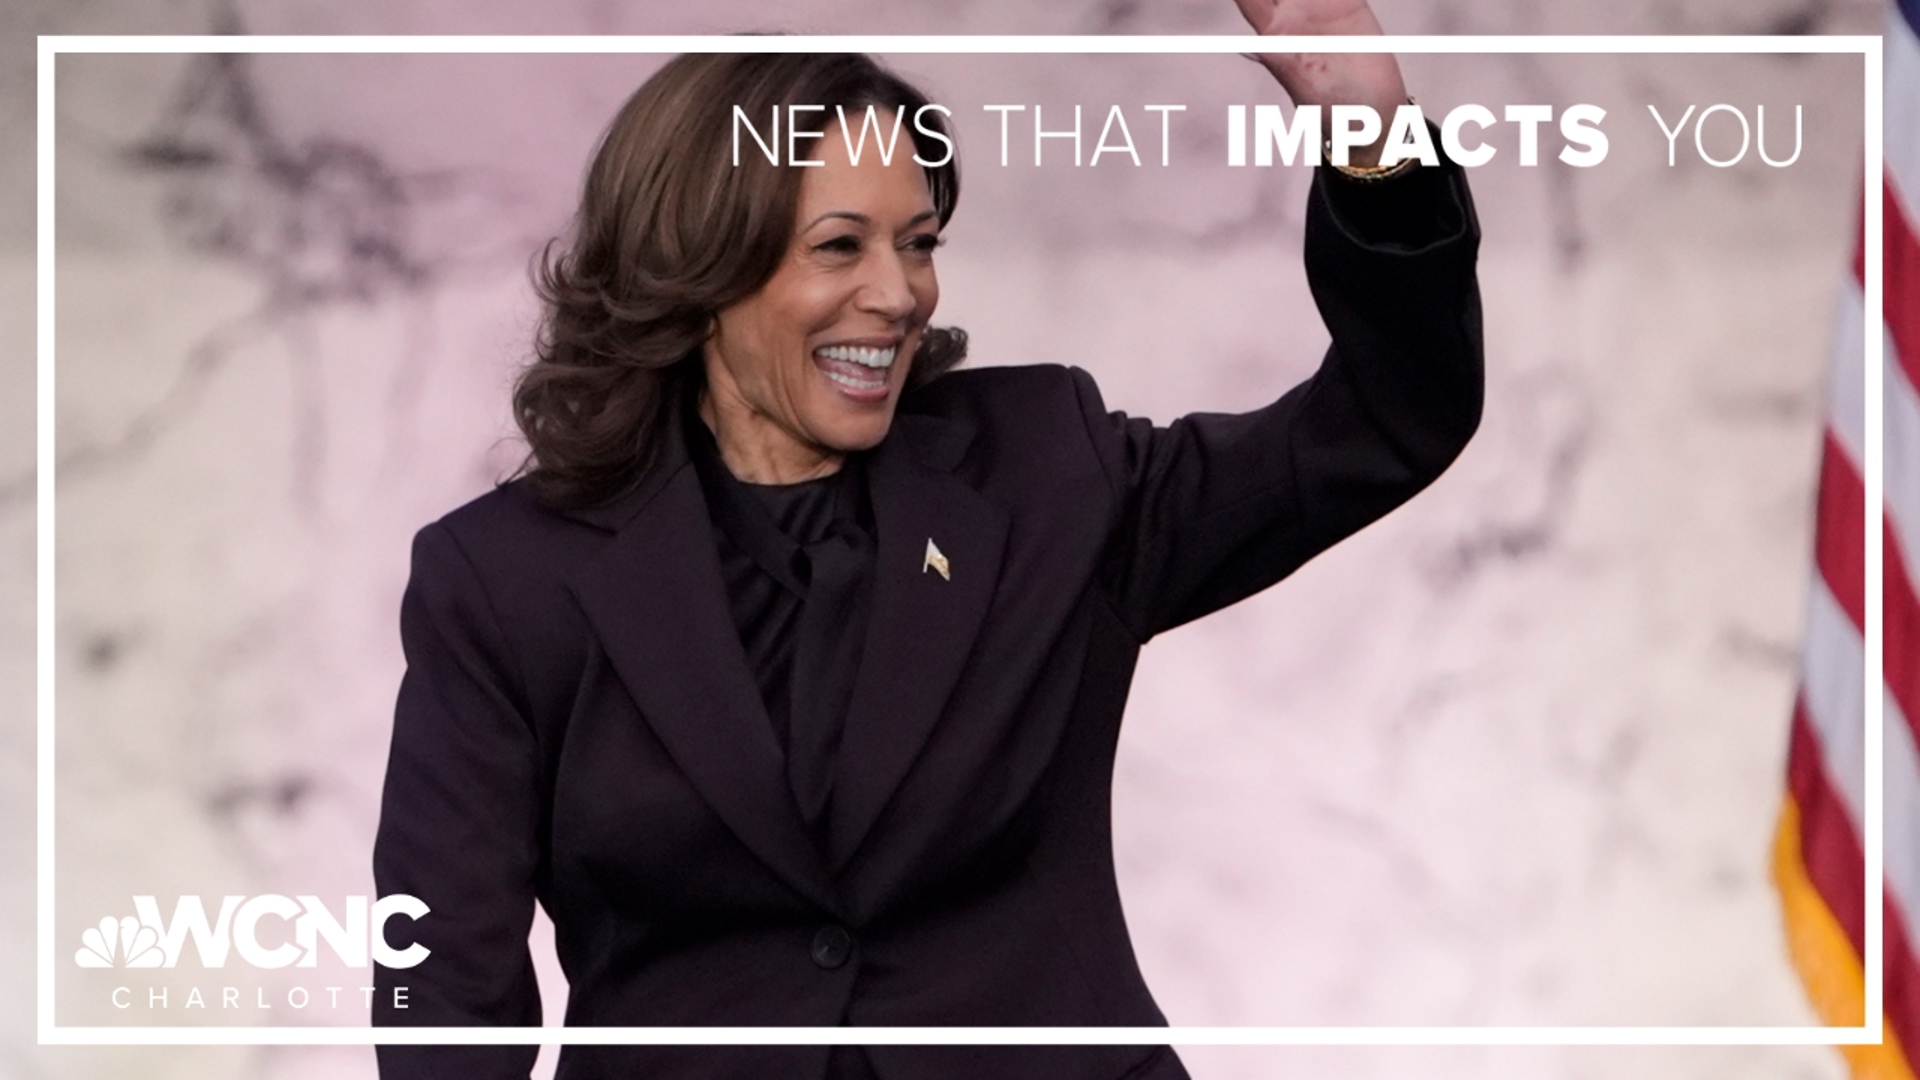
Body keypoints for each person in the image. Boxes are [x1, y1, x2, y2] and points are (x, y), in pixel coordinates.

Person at [371, 4, 1483, 1078]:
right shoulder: (505, 580)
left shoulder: (1050, 476)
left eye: (919, 242)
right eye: (841, 245)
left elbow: (1387, 419)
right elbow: (439, 987)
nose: (900, 294)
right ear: (702, 268)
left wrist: (1374, 144)